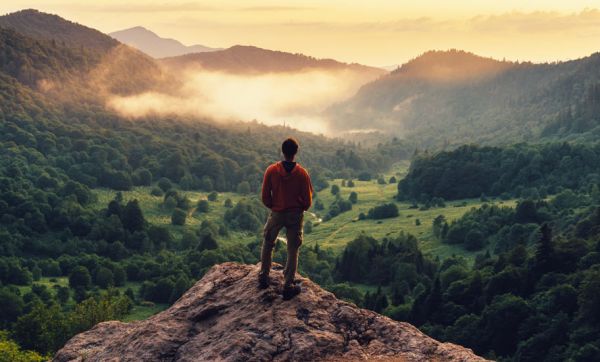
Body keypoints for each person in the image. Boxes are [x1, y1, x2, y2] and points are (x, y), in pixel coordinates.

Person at [259, 137, 313, 299]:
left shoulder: (272, 170)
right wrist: (300, 208)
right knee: (293, 248)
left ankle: (263, 277)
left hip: (277, 213)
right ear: (296, 153)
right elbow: (308, 200)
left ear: (282, 151)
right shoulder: (302, 173)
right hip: (295, 215)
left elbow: (265, 195)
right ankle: (288, 285)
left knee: (268, 243)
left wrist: (274, 207)